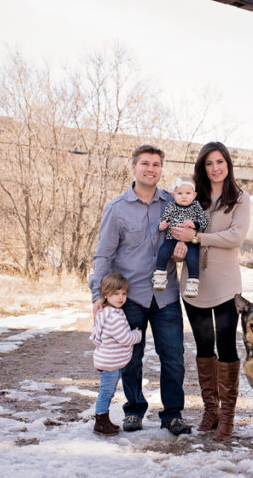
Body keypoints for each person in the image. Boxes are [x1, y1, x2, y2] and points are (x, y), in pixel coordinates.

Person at [88, 144, 192, 436]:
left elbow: (185, 239)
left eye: (156, 164)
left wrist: (182, 251)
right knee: (130, 357)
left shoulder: (173, 203)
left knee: (173, 356)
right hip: (128, 297)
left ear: (161, 169)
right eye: (145, 163)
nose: (151, 169)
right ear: (133, 167)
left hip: (165, 294)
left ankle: (172, 414)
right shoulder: (117, 208)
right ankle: (133, 410)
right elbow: (103, 256)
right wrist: (98, 295)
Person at [170, 141, 250, 442]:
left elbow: (235, 236)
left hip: (227, 285)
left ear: (227, 164)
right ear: (202, 167)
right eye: (209, 163)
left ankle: (228, 417)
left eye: (220, 162)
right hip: (194, 284)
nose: (215, 168)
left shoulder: (240, 199)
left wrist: (198, 237)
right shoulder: (193, 197)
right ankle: (211, 410)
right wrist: (179, 245)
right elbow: (178, 232)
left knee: (226, 346)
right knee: (204, 347)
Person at [90, 273, 142, 436]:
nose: (120, 298)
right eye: (115, 293)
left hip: (108, 360)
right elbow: (125, 338)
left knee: (108, 391)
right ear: (105, 294)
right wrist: (137, 335)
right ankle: (100, 421)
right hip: (110, 363)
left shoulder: (106, 311)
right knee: (106, 392)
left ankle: (103, 419)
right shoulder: (114, 316)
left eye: (123, 294)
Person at [153, 176, 209, 298]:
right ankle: (160, 276)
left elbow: (204, 221)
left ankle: (193, 284)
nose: (184, 196)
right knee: (163, 251)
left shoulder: (196, 206)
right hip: (172, 238)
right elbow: (164, 219)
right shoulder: (171, 206)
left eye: (188, 193)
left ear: (194, 195)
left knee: (193, 258)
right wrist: (162, 225)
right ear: (173, 195)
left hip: (190, 241)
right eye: (180, 193)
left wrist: (194, 224)